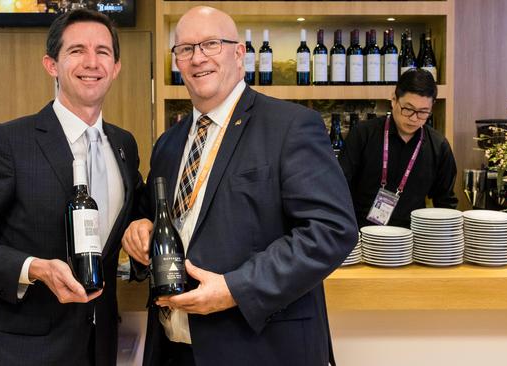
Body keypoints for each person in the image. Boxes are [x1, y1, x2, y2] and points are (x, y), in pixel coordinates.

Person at [122, 6, 358, 366]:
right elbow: (153, 216)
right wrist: (138, 228)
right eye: (185, 49)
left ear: (239, 53)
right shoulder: (169, 144)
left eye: (211, 44)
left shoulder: (290, 126)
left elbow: (331, 231)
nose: (197, 57)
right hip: (172, 350)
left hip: (258, 348)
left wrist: (236, 289)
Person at [0, 9, 144, 366]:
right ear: (51, 65)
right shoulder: (9, 142)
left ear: (116, 67)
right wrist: (34, 268)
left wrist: (142, 223)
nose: (91, 62)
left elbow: (133, 214)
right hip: (21, 351)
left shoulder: (124, 145)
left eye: (103, 52)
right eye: (77, 50)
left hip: (99, 347)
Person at [339, 69, 458, 229]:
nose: (414, 118)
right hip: (360, 235)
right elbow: (339, 186)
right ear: (394, 100)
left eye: (423, 112)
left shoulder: (438, 146)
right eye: (408, 109)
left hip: (411, 240)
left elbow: (445, 204)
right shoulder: (363, 134)